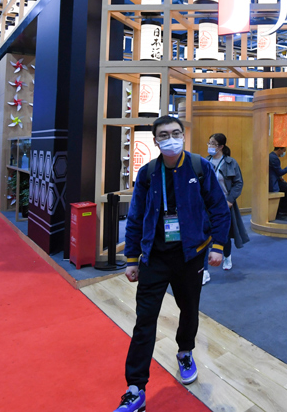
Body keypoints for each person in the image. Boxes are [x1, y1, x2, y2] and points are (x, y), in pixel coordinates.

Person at [114, 116, 230, 412]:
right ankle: (135, 388)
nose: (171, 139)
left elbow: (219, 208)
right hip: (154, 257)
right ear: (156, 141)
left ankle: (185, 351)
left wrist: (218, 246)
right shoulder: (148, 173)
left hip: (190, 255)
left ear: (183, 136)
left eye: (176, 133)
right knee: (145, 320)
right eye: (164, 135)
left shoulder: (199, 167)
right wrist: (131, 259)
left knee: (189, 309)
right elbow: (136, 216)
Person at [203, 133, 249, 285]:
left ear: (221, 147)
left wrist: (230, 200)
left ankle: (227, 256)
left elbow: (238, 183)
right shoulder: (205, 162)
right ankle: (205, 270)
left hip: (224, 205)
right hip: (207, 205)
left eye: (213, 144)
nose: (210, 146)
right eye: (209, 143)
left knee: (225, 233)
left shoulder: (230, 162)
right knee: (204, 234)